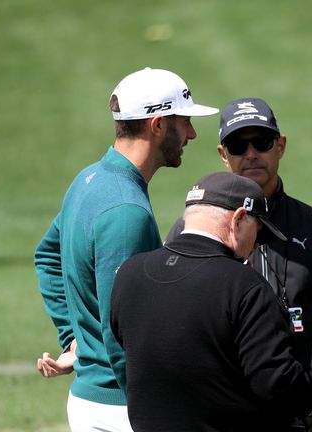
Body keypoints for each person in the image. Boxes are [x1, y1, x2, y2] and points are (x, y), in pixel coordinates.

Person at [34, 67, 218, 431]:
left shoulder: (89, 180)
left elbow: (47, 256)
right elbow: (126, 327)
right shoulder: (126, 212)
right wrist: (152, 406)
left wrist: (74, 339)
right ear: (158, 125)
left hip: (97, 402)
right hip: (125, 409)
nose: (193, 134)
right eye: (185, 122)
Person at [164, 97, 312, 431]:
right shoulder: (192, 229)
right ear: (224, 155)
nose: (251, 154)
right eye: (238, 145)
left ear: (280, 146)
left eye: (262, 142)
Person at [109, 172, 312, 431]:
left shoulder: (129, 274)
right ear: (239, 219)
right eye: (259, 232)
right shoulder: (246, 286)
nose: (255, 245)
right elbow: (274, 379)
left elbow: (123, 357)